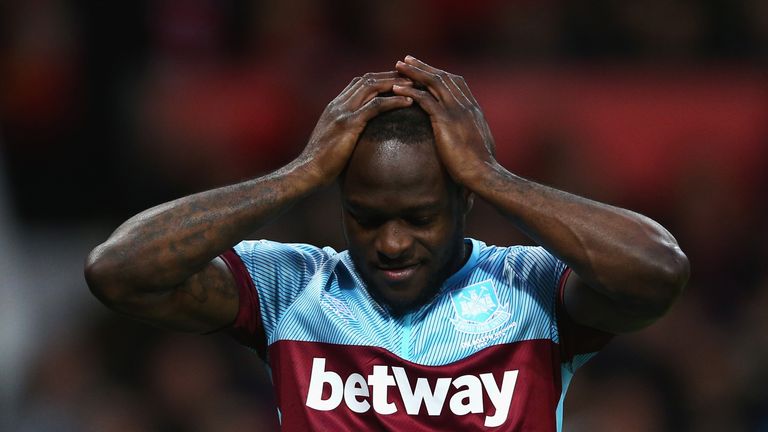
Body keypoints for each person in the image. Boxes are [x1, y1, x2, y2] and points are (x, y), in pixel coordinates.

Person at [85, 56, 689, 431]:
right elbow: (118, 271)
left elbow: (659, 271)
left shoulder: (529, 287)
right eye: (366, 218)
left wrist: (494, 176)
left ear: (464, 201)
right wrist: (295, 175)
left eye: (420, 217)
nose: (392, 242)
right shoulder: (290, 287)